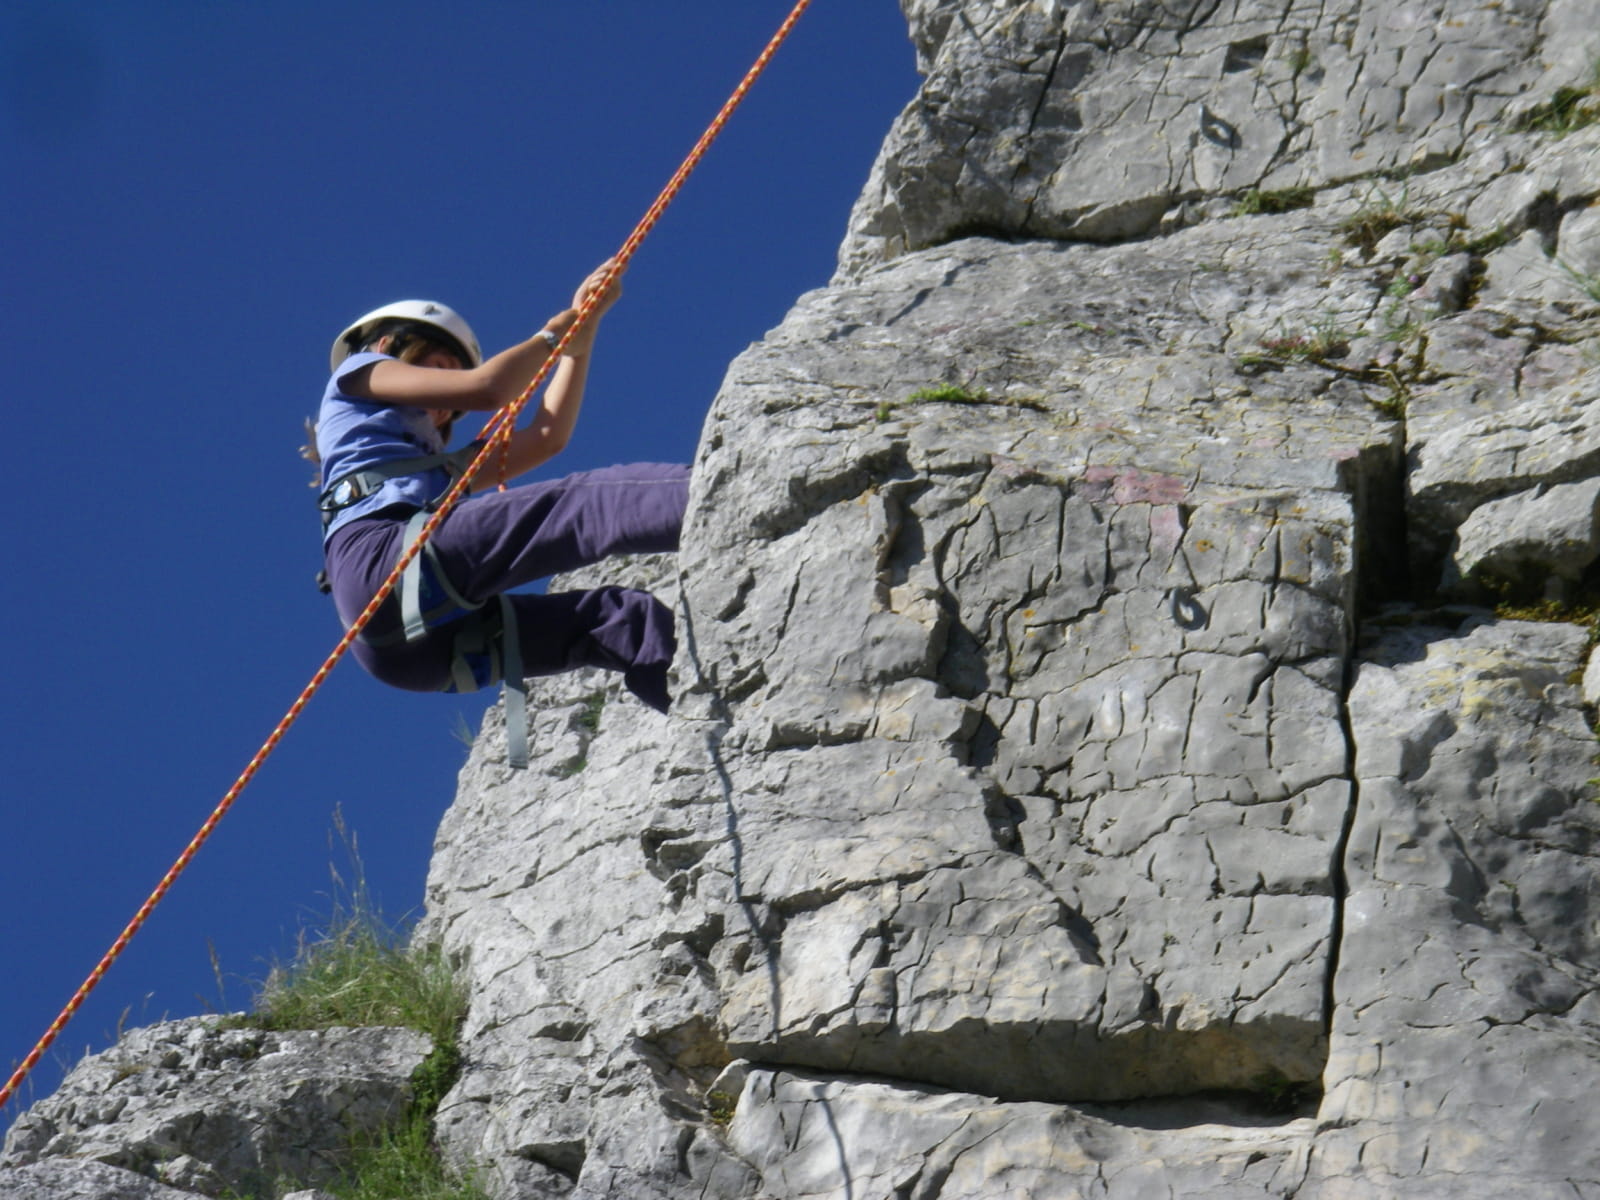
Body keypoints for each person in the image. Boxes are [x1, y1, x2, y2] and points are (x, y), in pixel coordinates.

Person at [309, 260, 689, 763]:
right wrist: (556, 334)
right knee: (584, 503)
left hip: (409, 651)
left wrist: (581, 339)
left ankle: (711, 710)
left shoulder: (436, 471)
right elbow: (489, 389)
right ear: (387, 347)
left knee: (618, 619)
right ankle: (717, 492)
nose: (446, 402)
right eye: (441, 369)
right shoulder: (354, 377)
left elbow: (548, 438)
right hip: (385, 561)